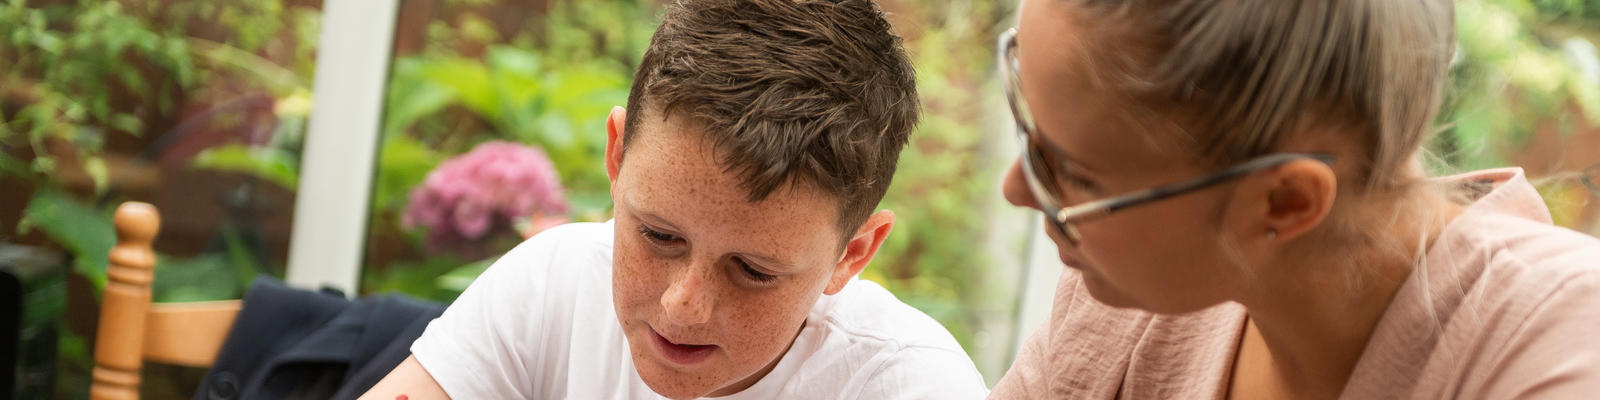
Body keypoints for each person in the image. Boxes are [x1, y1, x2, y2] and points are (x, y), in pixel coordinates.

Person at [360, 0, 990, 399]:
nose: (681, 306)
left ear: (853, 255)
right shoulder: (551, 286)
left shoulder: (910, 386)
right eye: (659, 236)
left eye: (753, 270)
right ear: (616, 156)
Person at [990, 0, 1600, 399]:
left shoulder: (1559, 355)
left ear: (1283, 202)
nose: (1016, 189)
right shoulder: (1122, 299)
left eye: (1074, 173)